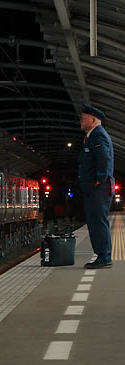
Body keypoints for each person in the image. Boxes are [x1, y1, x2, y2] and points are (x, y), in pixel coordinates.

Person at [78, 104, 114, 269]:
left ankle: (104, 257)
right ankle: (102, 255)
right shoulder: (93, 136)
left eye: (83, 118)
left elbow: (103, 158)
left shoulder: (98, 136)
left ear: (93, 119)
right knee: (95, 221)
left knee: (98, 221)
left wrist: (99, 179)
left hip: (98, 188)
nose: (81, 121)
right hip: (95, 187)